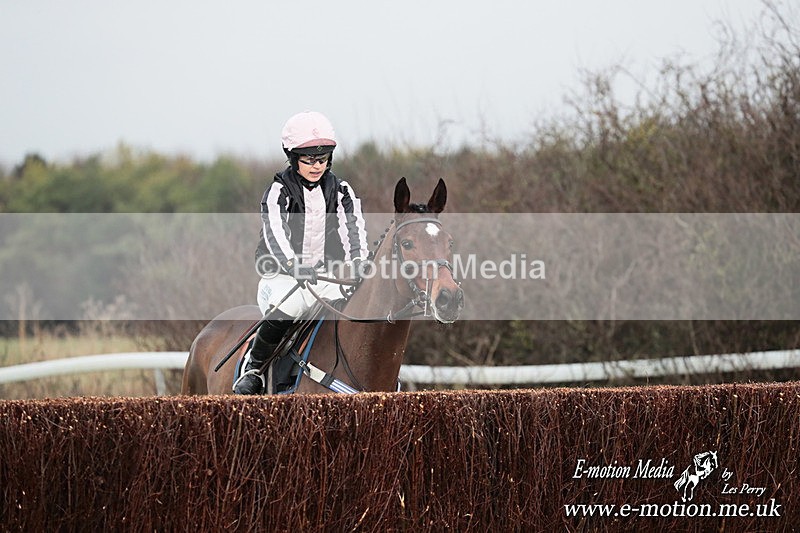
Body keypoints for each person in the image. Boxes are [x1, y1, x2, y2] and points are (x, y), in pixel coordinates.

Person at [234, 111, 369, 395]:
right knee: (293, 307)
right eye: (308, 159)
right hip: (281, 276)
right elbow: (275, 234)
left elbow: (353, 228)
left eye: (322, 159)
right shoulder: (278, 191)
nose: (316, 166)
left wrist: (358, 262)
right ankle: (253, 369)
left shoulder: (342, 190)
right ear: (293, 157)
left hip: (324, 276)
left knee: (351, 311)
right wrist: (294, 266)